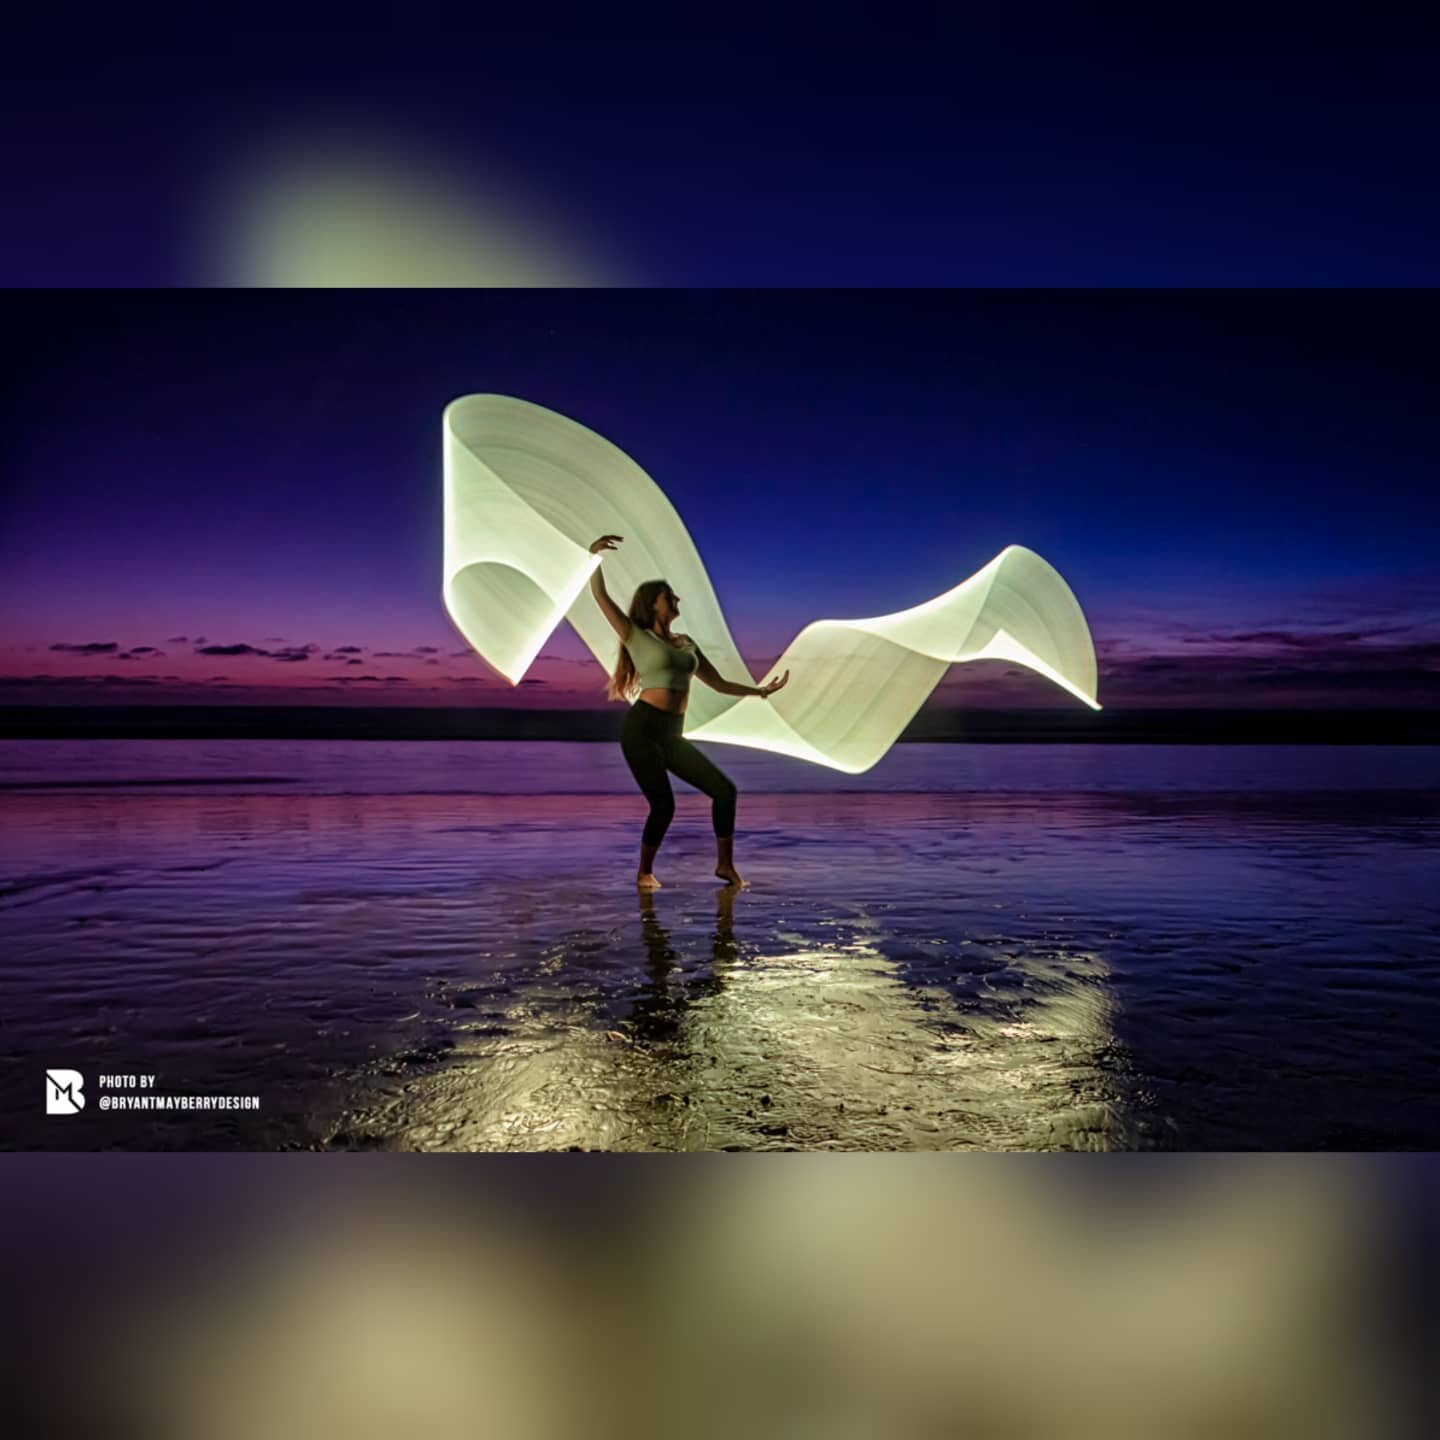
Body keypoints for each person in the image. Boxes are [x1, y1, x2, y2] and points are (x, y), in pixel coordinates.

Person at [588, 534, 789, 890]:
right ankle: (643, 873)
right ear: (654, 605)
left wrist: (759, 692)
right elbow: (601, 598)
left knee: (724, 791)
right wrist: (594, 557)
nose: (677, 600)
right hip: (642, 729)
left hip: (671, 732)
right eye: (670, 596)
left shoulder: (686, 644)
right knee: (663, 805)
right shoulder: (636, 636)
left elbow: (719, 683)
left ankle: (725, 866)